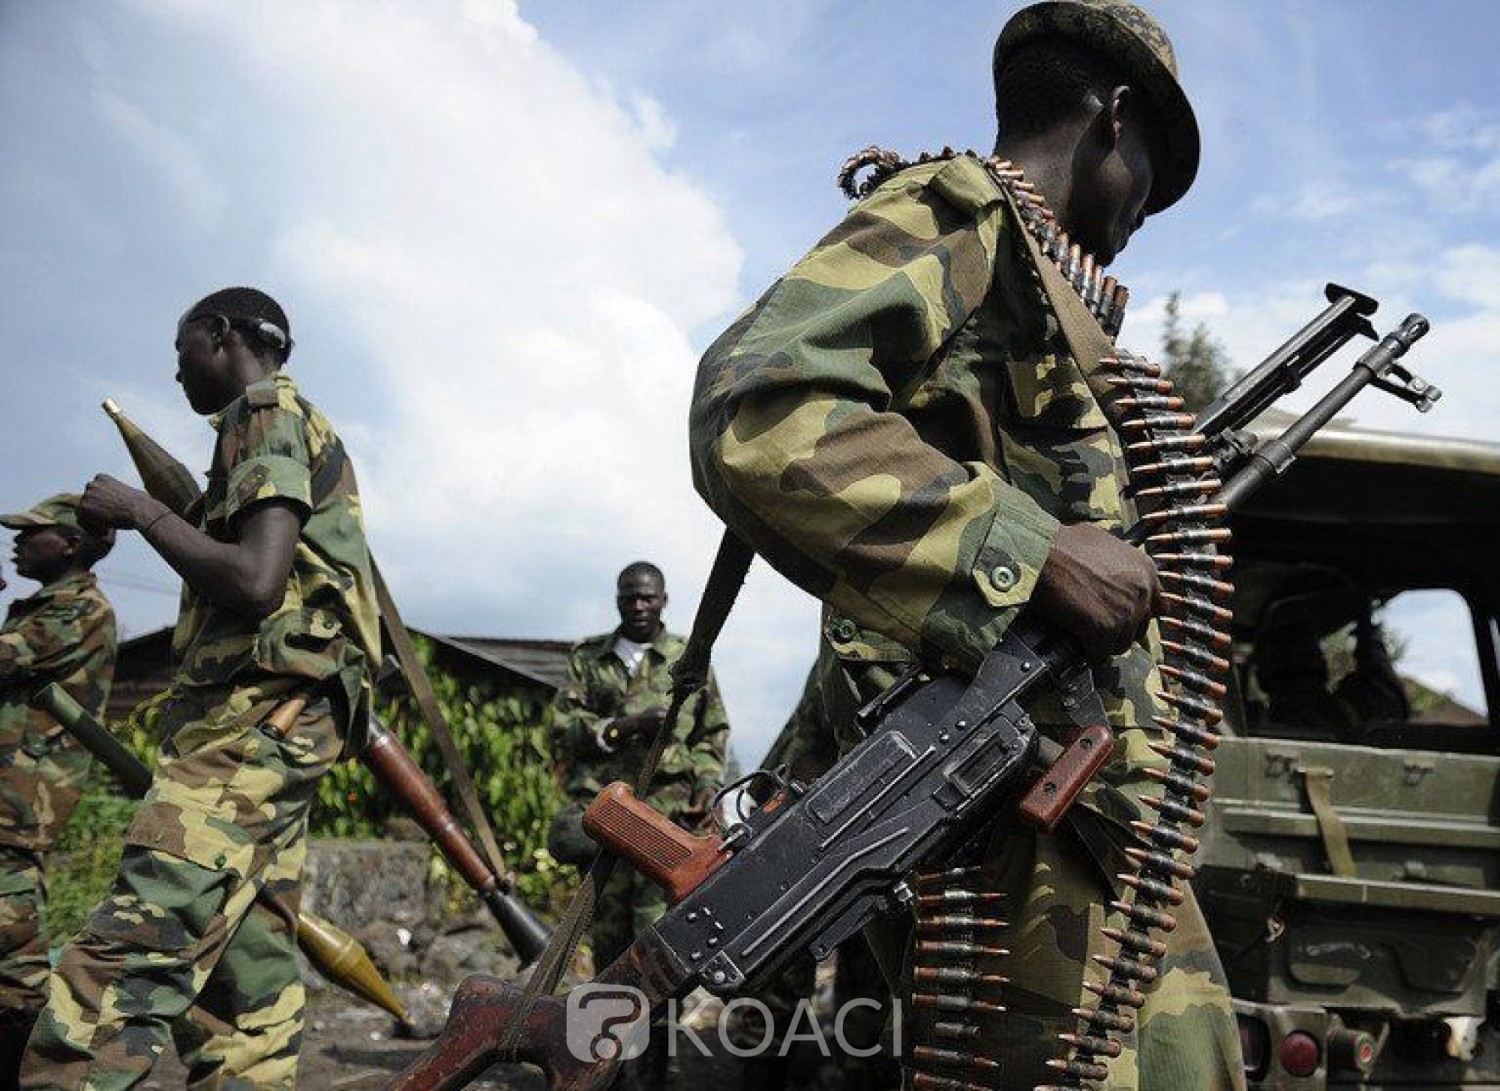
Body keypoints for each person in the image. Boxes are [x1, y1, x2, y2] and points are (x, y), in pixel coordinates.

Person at [689, 1, 1244, 1086]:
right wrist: (1038, 551)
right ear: (1115, 119)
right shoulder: (965, 214)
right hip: (1010, 804)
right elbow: (759, 408)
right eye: (1151, 177)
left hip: (1077, 808)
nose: (1142, 218)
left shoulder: (1037, 278)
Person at [21, 287, 380, 1090]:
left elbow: (256, 580)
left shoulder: (264, 410)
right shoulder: (271, 426)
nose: (175, 368)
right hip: (268, 726)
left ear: (222, 333)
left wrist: (142, 511)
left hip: (255, 727)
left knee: (119, 963)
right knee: (239, 993)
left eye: (183, 347)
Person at [548, 561, 730, 1090]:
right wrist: (623, 727)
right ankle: (608, 1071)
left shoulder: (688, 661)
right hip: (607, 827)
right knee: (609, 953)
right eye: (628, 597)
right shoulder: (589, 658)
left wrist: (704, 785)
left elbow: (712, 731)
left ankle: (652, 1073)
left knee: (661, 953)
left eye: (647, 597)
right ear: (618, 600)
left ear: (663, 600)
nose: (637, 605)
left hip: (665, 827)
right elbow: (562, 726)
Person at [0, 497, 117, 1085]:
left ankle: (35, 1071)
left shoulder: (75, 610)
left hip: (21, 803)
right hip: (11, 799)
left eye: (32, 533)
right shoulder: (41, 608)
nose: (18, 543)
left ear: (70, 544)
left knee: (14, 953)